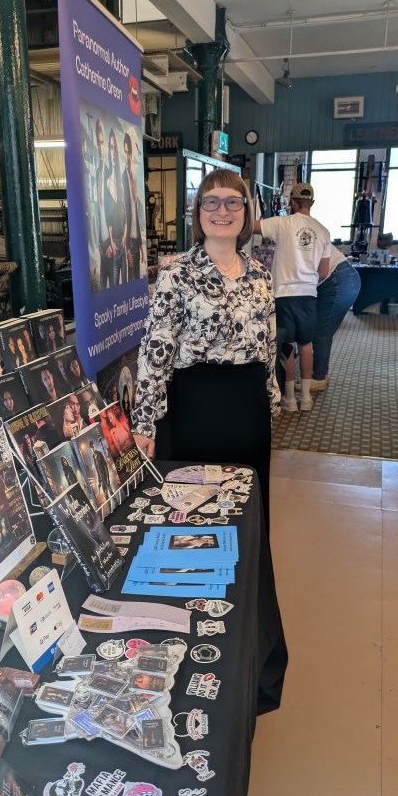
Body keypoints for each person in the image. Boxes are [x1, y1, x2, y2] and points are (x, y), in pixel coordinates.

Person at [131, 169, 280, 529]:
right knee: (189, 511)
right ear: (198, 211)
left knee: (243, 510)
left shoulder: (260, 275)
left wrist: (271, 396)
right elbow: (155, 349)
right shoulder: (177, 274)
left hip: (248, 408)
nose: (222, 211)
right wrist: (144, 422)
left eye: (232, 202)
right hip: (191, 409)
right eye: (211, 202)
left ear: (245, 211)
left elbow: (269, 342)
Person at [253, 182, 331, 412]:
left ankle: (289, 399)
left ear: (292, 202)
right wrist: (306, 281)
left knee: (287, 346)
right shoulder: (323, 231)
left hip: (284, 295)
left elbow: (250, 226)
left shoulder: (282, 223)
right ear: (312, 203)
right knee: (306, 344)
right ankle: (305, 398)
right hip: (309, 295)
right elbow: (323, 272)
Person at [311, 245, 361, 390]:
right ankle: (321, 373)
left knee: (321, 332)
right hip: (342, 277)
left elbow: (321, 273)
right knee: (323, 332)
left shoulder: (292, 238)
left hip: (338, 280)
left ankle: (319, 378)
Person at [104, 127, 128, 286]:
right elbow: (108, 219)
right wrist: (111, 242)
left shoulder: (121, 184)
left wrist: (125, 236)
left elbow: (124, 216)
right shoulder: (106, 183)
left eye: (115, 149)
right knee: (114, 283)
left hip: (122, 242)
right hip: (114, 243)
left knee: (125, 282)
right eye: (111, 148)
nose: (113, 153)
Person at [93, 118, 113, 289]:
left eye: (102, 143)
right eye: (98, 143)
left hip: (108, 243)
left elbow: (110, 212)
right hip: (98, 244)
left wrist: (109, 242)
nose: (101, 148)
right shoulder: (94, 173)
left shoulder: (108, 172)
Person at [122, 131, 144, 281]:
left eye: (128, 152)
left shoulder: (134, 179)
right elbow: (124, 215)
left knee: (136, 282)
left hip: (137, 240)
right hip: (129, 241)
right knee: (131, 280)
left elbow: (136, 215)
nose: (127, 156)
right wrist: (128, 248)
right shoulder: (123, 178)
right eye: (125, 152)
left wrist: (141, 244)